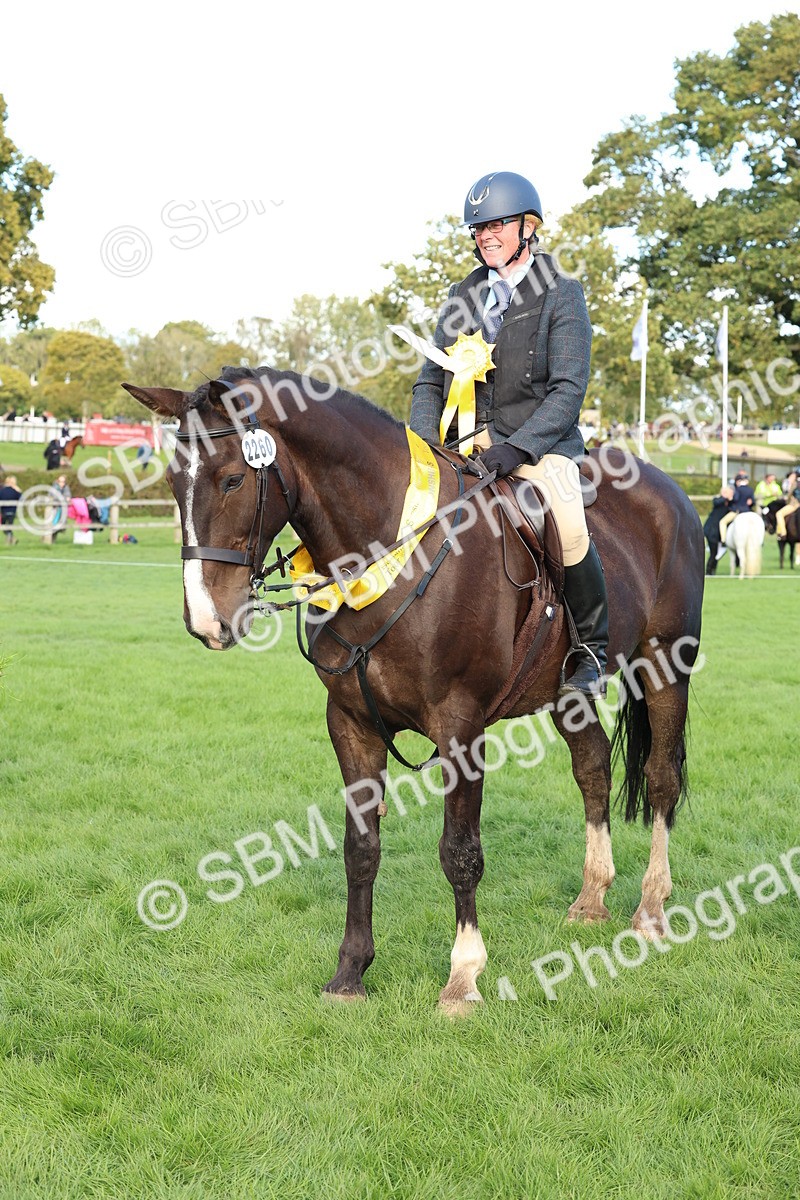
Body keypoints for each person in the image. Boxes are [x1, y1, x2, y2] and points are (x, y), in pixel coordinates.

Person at [410, 170, 606, 698]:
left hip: (536, 446)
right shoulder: (464, 293)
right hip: (460, 446)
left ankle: (591, 652)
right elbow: (430, 379)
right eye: (479, 228)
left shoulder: (562, 292)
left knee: (566, 519)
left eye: (498, 224)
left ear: (528, 227)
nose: (487, 236)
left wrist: (515, 448)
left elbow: (568, 390)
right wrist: (424, 445)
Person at [717, 471, 755, 555]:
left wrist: (730, 499)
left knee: (722, 522)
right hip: (748, 511)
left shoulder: (738, 489)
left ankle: (723, 540)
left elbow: (736, 499)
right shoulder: (750, 490)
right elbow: (753, 502)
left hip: (737, 511)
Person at [703, 487, 732, 575]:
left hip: (718, 532)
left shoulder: (729, 503)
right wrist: (726, 497)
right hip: (711, 530)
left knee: (716, 553)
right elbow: (716, 502)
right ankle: (709, 571)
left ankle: (712, 570)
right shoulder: (718, 500)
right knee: (713, 552)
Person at [775, 468, 800, 538]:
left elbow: (789, 494)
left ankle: (783, 533)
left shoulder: (795, 483)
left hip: (794, 504)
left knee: (779, 514)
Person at [0, 475, 22, 545]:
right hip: (12, 512)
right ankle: (12, 539)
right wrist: (18, 490)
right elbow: (22, 499)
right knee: (9, 526)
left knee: (3, 526)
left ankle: (10, 540)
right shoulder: (15, 492)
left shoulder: (2, 491)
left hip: (3, 512)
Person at [51, 474, 72, 541]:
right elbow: (54, 497)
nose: (61, 483)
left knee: (61, 526)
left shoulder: (66, 488)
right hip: (55, 508)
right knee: (53, 524)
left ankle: (53, 538)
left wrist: (63, 499)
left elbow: (68, 497)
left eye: (63, 481)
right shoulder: (54, 488)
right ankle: (50, 538)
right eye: (60, 481)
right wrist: (64, 499)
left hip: (62, 509)